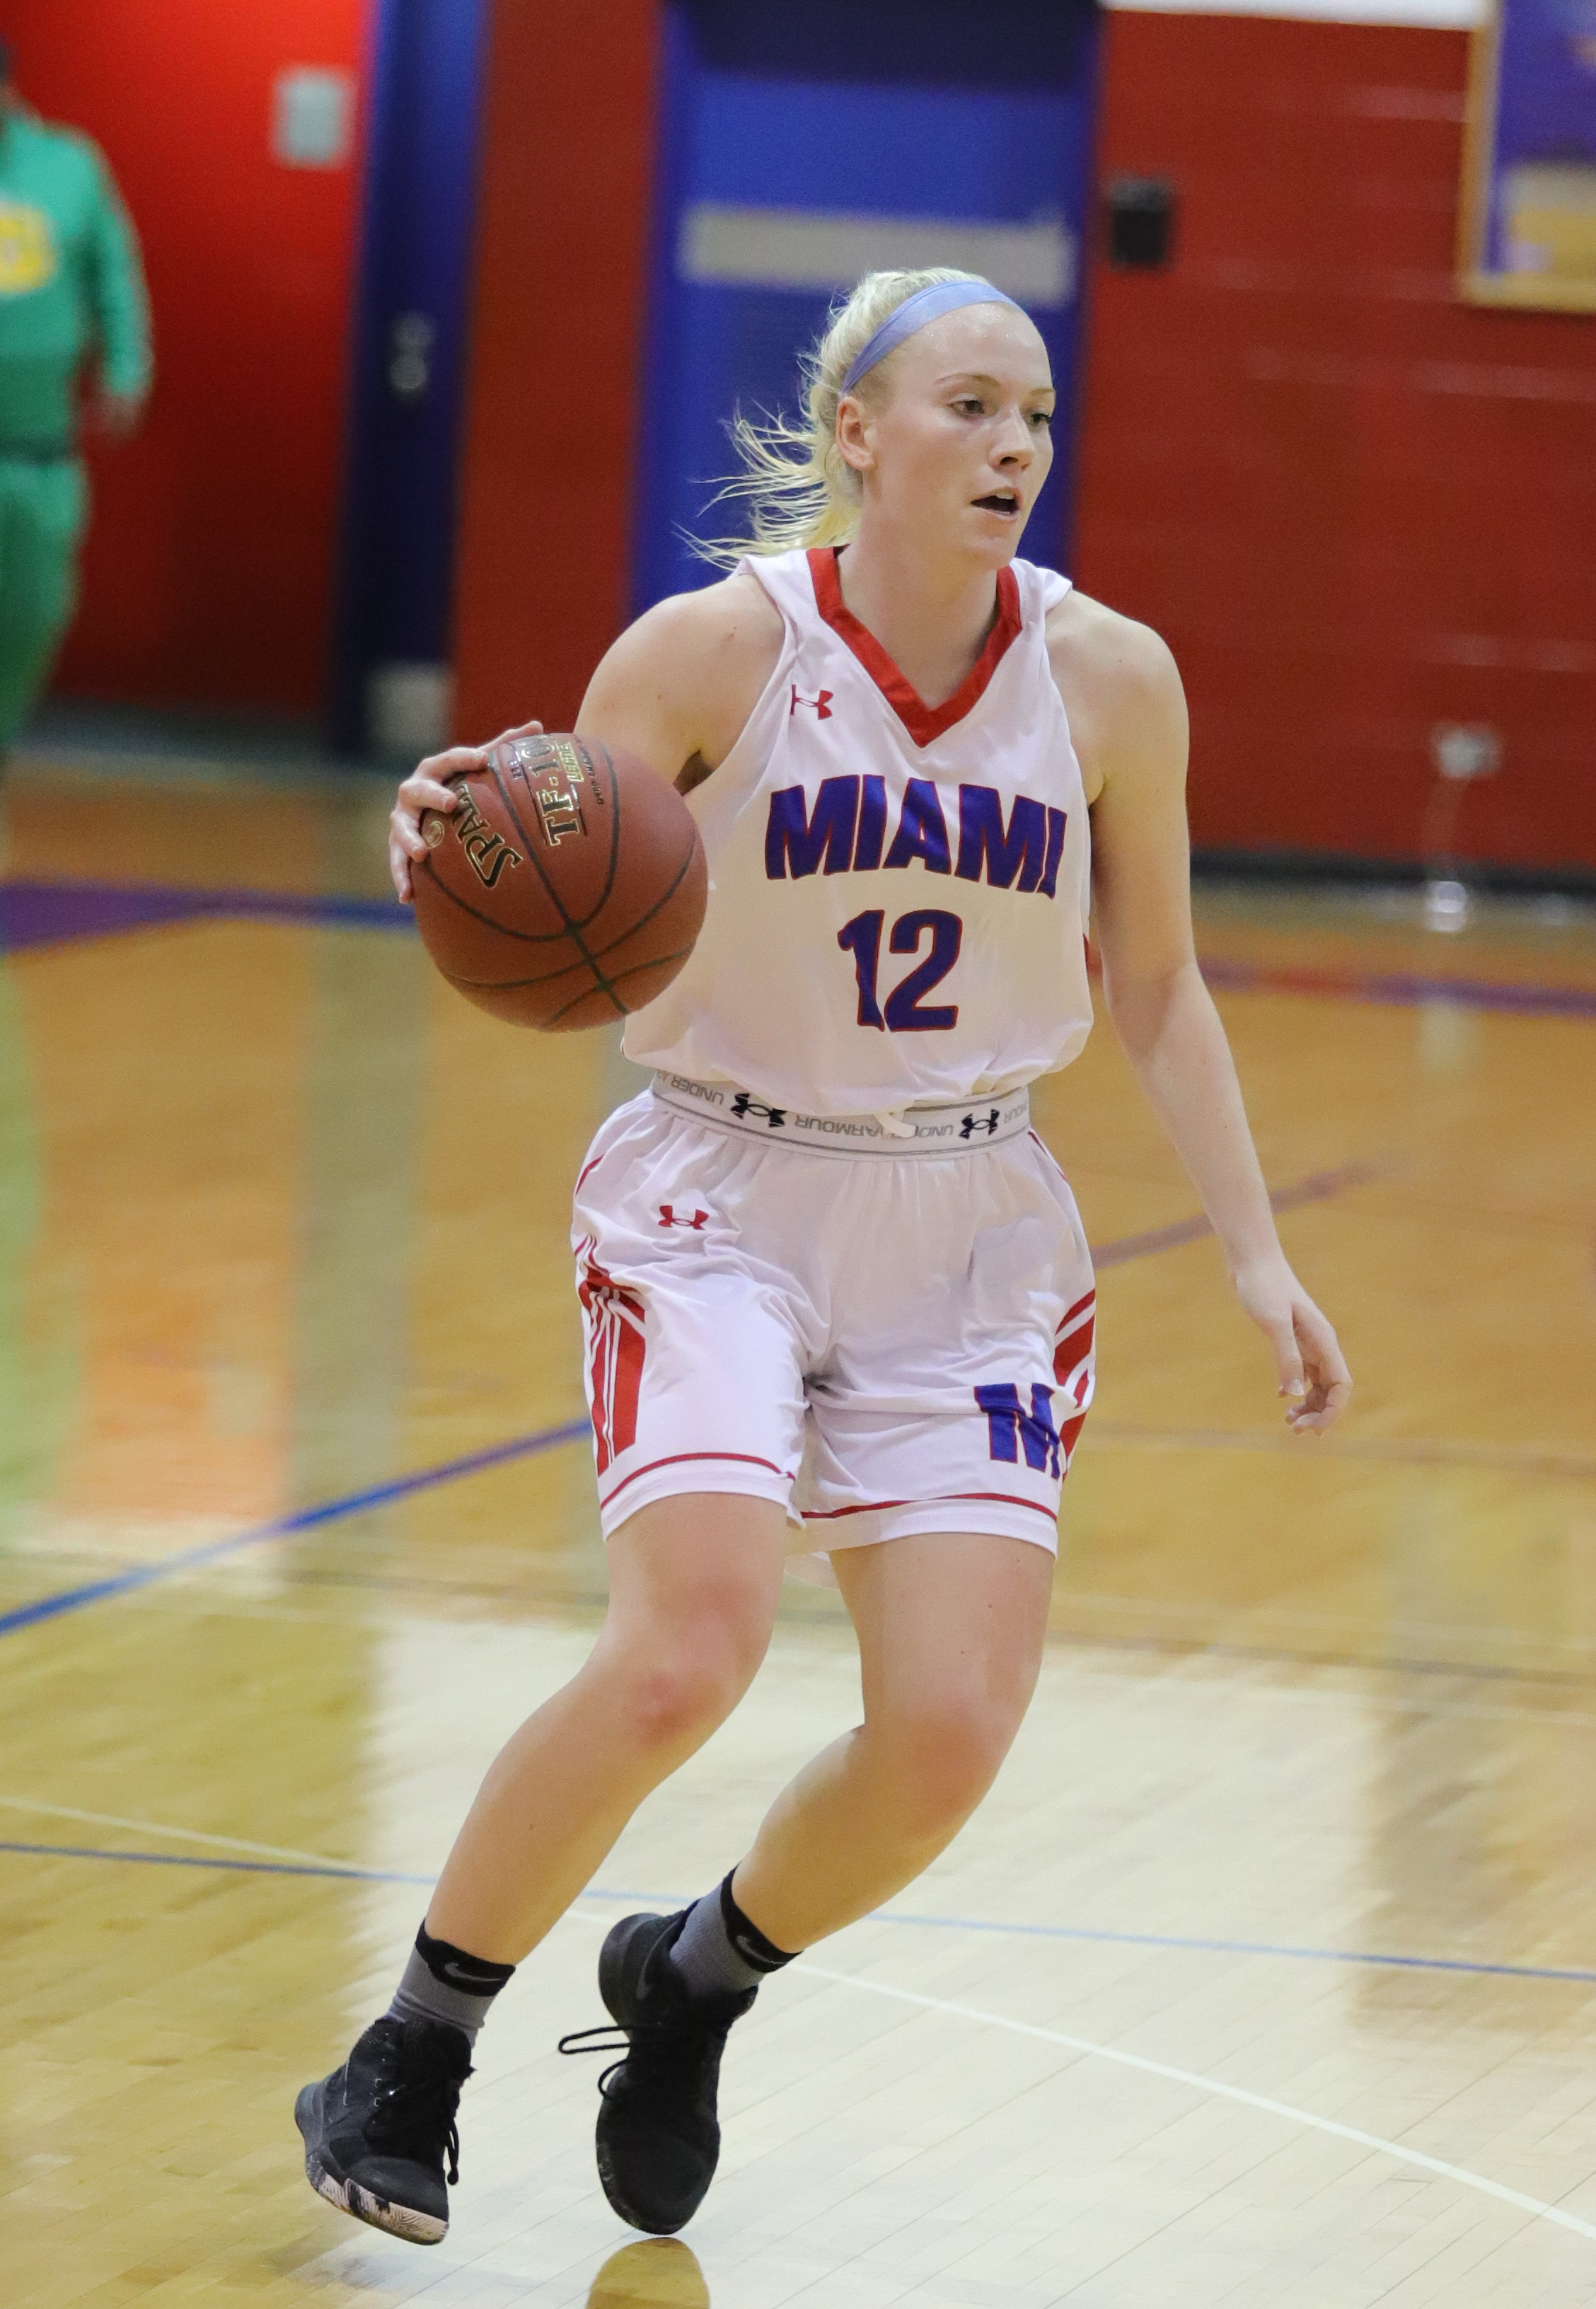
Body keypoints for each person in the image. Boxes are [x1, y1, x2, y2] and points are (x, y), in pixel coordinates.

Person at [295, 268, 1351, 2247]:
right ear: (857, 431)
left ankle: (691, 1980)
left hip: (968, 1223)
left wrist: (1260, 1258)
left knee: (949, 1733)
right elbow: (546, 835)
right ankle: (409, 2050)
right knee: (686, 1647)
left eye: (1035, 412)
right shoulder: (713, 654)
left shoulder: (1113, 680)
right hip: (721, 1194)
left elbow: (1167, 989)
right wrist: (445, 844)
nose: (1014, 446)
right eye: (968, 406)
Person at [0, 41, 150, 763]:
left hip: (38, 454)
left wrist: (126, 368)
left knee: (34, 613)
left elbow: (113, 275)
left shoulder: (69, 168)